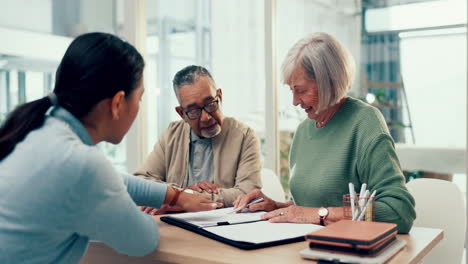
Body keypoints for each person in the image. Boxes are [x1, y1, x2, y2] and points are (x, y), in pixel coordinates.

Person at [0, 33, 221, 264]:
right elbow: (141, 240)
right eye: (139, 98)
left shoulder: (39, 130)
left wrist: (175, 196)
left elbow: (114, 181)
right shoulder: (81, 163)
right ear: (117, 104)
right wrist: (159, 207)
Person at [233, 32, 416, 233]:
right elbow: (309, 208)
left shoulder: (365, 123)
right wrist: (277, 207)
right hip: (303, 247)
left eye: (301, 90)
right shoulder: (304, 130)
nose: (294, 101)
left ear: (328, 83)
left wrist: (321, 214)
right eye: (291, 90)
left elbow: (400, 212)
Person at [134, 65, 262, 209]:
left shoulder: (245, 136)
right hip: (175, 223)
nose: (206, 117)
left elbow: (248, 193)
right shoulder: (171, 134)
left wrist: (182, 199)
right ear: (182, 113)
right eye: (194, 111)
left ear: (219, 96)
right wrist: (182, 195)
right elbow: (142, 181)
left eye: (210, 104)